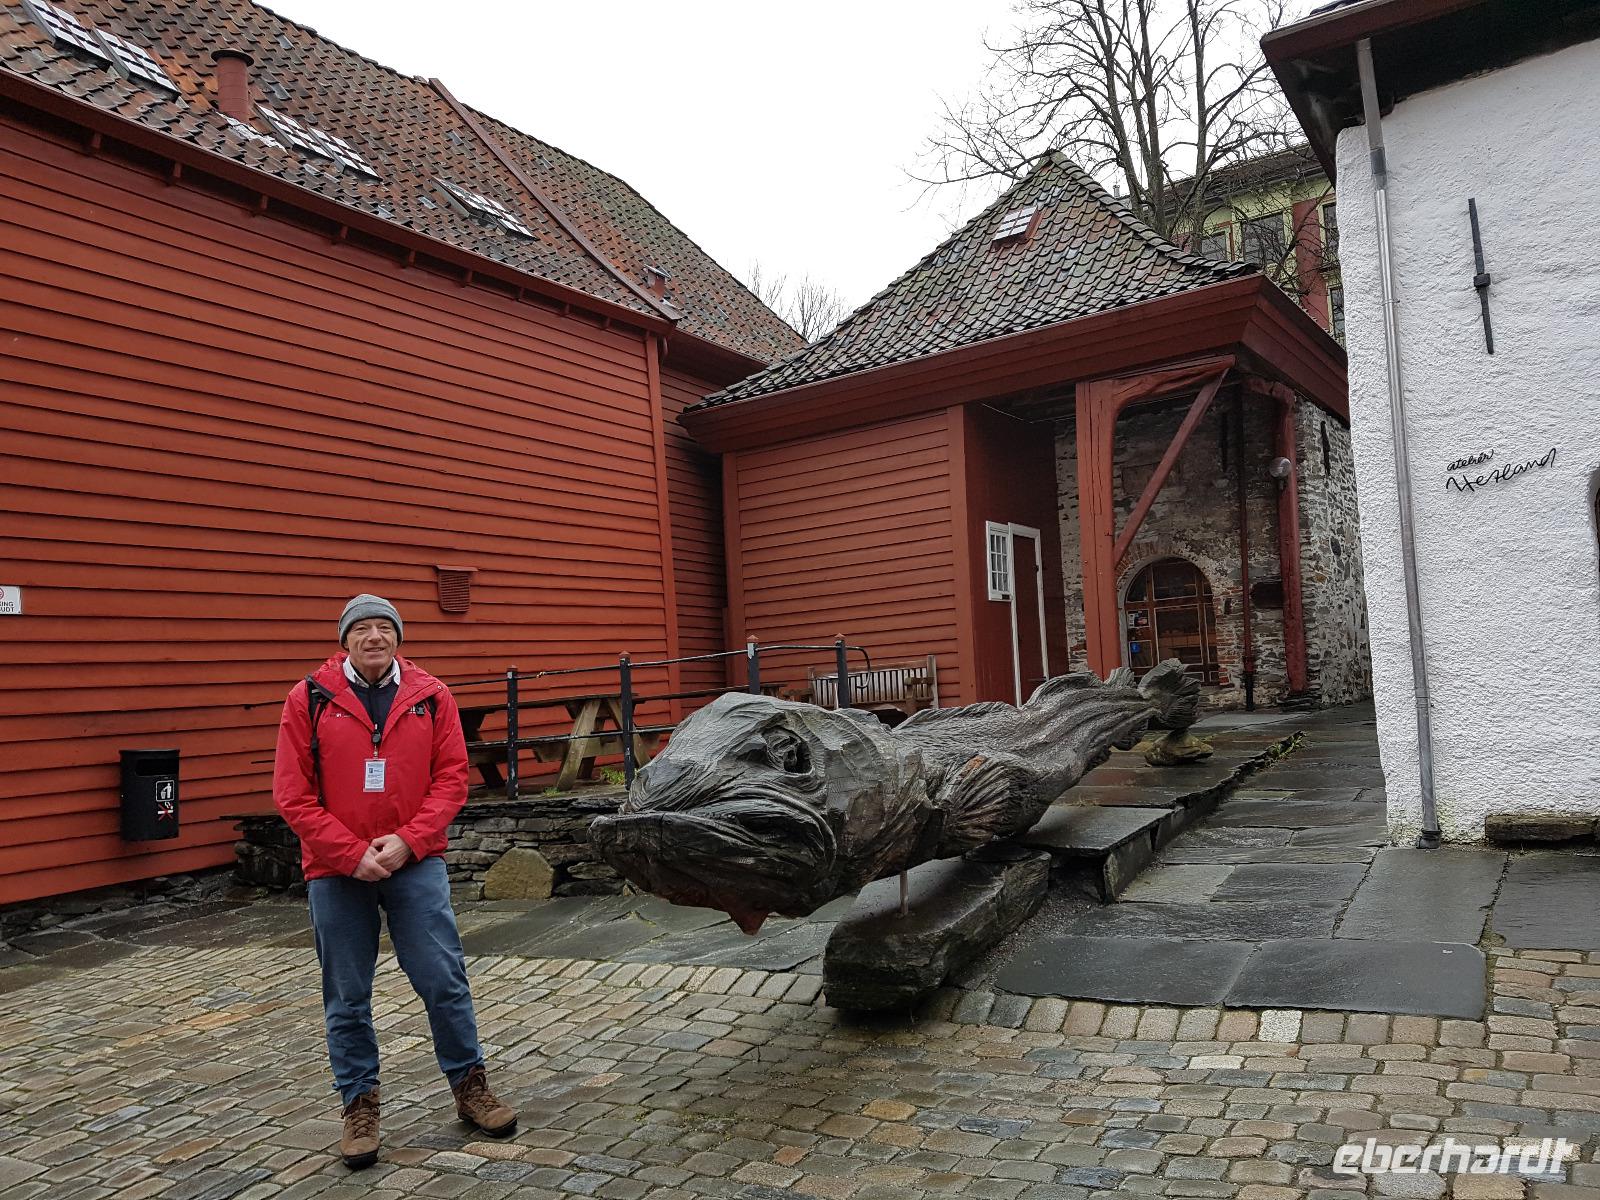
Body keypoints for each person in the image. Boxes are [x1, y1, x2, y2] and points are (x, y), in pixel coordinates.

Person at [272, 594, 515, 1169]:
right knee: (348, 996)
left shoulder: (432, 696)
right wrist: (350, 853)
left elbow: (453, 779)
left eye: (384, 628)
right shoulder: (308, 699)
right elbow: (292, 794)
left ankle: (470, 1087)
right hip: (337, 871)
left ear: (398, 638)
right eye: (363, 629)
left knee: (443, 979)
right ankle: (359, 1106)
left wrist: (408, 840)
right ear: (345, 640)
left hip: (414, 862)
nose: (374, 637)